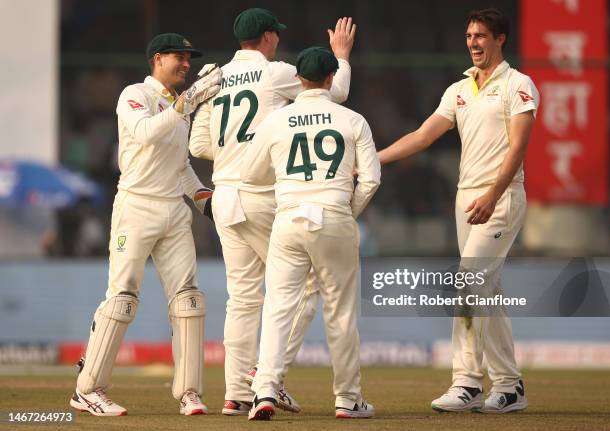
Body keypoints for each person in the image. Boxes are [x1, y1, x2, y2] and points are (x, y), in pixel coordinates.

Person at [189, 8, 356, 416]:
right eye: (275, 35)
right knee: (306, 285)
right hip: (262, 195)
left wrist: (232, 150)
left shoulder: (217, 75)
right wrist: (342, 56)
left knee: (243, 298)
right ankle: (268, 377)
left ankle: (234, 393)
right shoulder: (277, 72)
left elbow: (197, 146)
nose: (277, 40)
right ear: (266, 38)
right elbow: (335, 96)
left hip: (224, 196)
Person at [377, 8, 539, 413]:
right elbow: (421, 136)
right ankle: (509, 386)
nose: (473, 43)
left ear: (500, 39)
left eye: (481, 35)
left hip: (500, 198)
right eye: (469, 36)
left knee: (469, 283)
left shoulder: (518, 84)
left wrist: (492, 195)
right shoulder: (459, 89)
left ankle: (466, 382)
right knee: (489, 291)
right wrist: (374, 158)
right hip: (466, 198)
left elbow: (518, 148)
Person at [69, 33, 222, 416]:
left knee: (189, 299)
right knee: (122, 298)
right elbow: (144, 133)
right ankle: (88, 389)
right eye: (179, 57)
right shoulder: (134, 94)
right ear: (157, 59)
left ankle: (189, 392)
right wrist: (188, 103)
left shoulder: (176, 105)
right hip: (136, 208)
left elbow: (180, 165)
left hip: (174, 211)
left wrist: (204, 200)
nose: (186, 64)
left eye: (190, 59)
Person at [242, 46, 380, 420]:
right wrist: (345, 212)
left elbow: (253, 175)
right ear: (332, 78)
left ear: (298, 79)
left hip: (289, 218)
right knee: (341, 313)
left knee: (278, 308)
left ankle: (265, 390)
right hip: (334, 216)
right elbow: (370, 180)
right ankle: (348, 399)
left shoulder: (277, 120)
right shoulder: (353, 120)